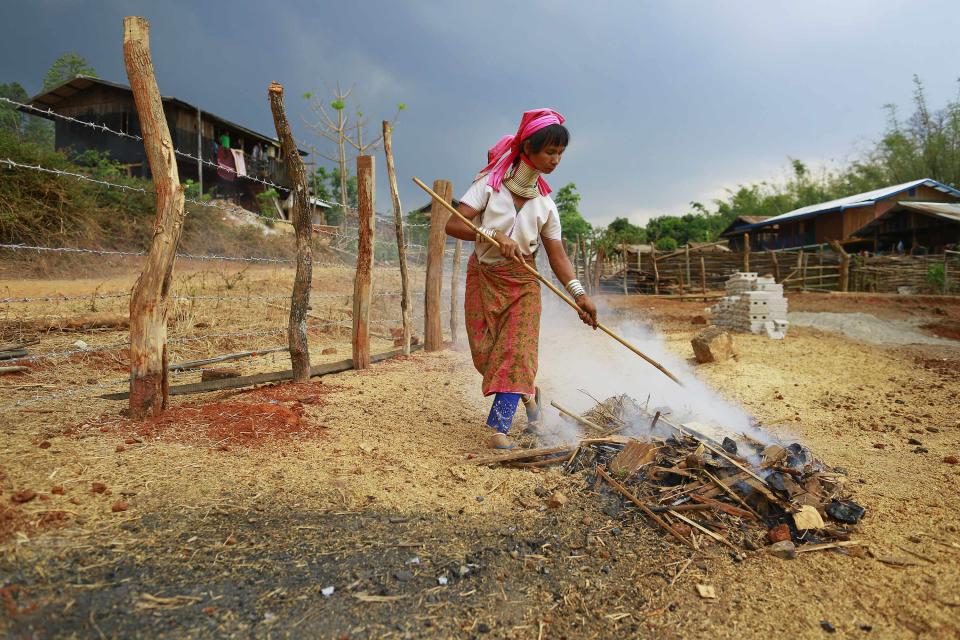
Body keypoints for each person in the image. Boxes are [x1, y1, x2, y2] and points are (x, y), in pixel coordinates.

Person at [445, 108, 598, 449]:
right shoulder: (489, 186)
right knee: (486, 354)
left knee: (515, 353)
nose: (556, 159)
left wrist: (579, 295)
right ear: (527, 148)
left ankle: (499, 429)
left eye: (560, 153)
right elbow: (453, 224)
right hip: (483, 277)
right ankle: (529, 393)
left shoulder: (546, 205)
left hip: (523, 283)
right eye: (549, 152)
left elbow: (557, 255)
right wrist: (491, 235)